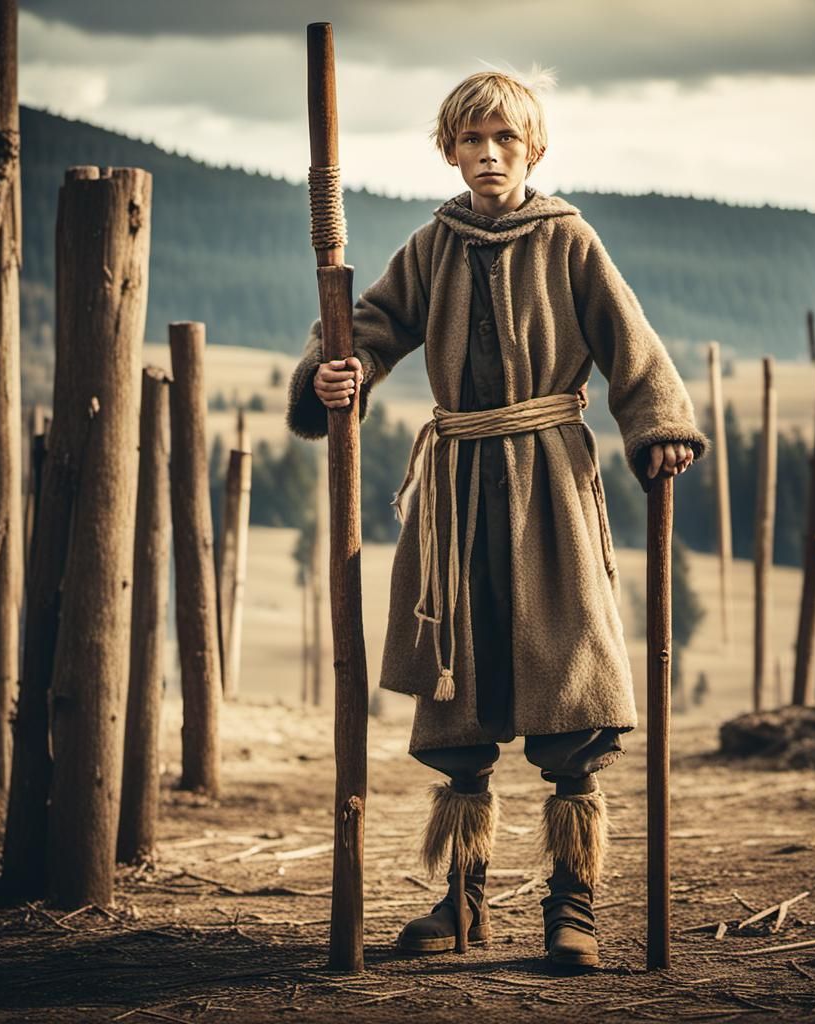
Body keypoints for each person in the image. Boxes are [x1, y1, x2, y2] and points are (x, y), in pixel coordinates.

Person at [286, 67, 707, 970]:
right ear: (449, 151)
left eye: (504, 140)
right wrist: (335, 373)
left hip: (549, 482)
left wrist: (660, 425)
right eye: (471, 141)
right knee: (462, 697)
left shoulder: (568, 240)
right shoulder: (430, 246)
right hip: (458, 490)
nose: (488, 155)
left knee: (572, 693)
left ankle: (573, 906)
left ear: (534, 149)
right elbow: (365, 329)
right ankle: (464, 901)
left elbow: (630, 344)